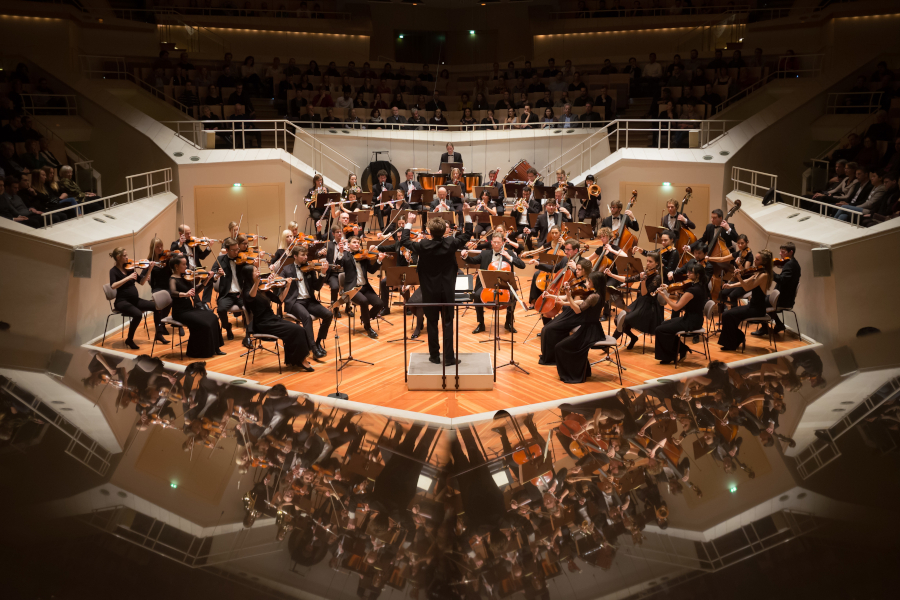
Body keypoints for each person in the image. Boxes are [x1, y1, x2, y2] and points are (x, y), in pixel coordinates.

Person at [400, 211, 474, 365]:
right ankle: (449, 358)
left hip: (429, 292)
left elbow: (405, 240)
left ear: (429, 232)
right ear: (444, 230)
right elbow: (468, 234)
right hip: (447, 291)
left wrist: (409, 221)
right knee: (448, 323)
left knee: (432, 323)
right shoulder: (451, 243)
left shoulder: (423, 245)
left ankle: (434, 356)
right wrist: (466, 215)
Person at [239, 263, 314, 371]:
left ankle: (295, 359)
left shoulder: (262, 287)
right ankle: (301, 360)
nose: (259, 273)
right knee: (297, 330)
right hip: (262, 323)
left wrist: (287, 286)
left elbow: (279, 300)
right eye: (255, 271)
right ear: (249, 275)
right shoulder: (247, 292)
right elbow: (251, 296)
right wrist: (256, 283)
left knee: (299, 329)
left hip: (272, 319)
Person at [463, 232, 526, 334]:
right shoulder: (484, 254)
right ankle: (481, 324)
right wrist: (465, 256)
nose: (496, 244)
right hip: (487, 285)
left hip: (504, 285)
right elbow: (472, 261)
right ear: (491, 243)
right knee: (477, 295)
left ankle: (508, 323)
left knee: (513, 296)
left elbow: (522, 265)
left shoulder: (509, 253)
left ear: (502, 243)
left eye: (498, 242)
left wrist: (510, 258)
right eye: (494, 242)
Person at [555, 271, 609, 384]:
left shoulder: (594, 296)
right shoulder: (597, 294)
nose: (587, 282)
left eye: (589, 280)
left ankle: (573, 373)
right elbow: (581, 303)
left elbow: (578, 310)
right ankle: (583, 371)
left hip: (589, 331)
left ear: (596, 283)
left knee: (560, 347)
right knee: (562, 346)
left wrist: (569, 297)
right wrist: (565, 302)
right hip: (592, 328)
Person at [537, 257, 593, 365]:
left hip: (576, 314)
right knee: (546, 329)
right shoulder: (576, 282)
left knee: (549, 329)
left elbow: (580, 303)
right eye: (576, 269)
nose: (576, 271)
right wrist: (551, 296)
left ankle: (553, 357)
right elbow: (567, 297)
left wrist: (565, 303)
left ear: (585, 271)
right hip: (569, 312)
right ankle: (550, 356)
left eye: (579, 269)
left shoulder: (588, 284)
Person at [279, 245, 331, 358]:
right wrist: (283, 281)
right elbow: (279, 283)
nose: (305, 257)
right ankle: (313, 348)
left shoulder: (310, 268)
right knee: (306, 317)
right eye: (303, 255)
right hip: (295, 302)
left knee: (328, 314)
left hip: (309, 301)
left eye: (306, 255)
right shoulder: (287, 269)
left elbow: (317, 287)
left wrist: (323, 273)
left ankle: (318, 342)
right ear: (295, 256)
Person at [168, 255, 226, 357]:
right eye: (184, 264)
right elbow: (172, 292)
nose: (186, 266)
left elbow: (196, 291)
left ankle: (216, 348)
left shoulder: (185, 277)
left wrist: (206, 280)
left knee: (213, 317)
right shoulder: (172, 279)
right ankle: (200, 352)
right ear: (176, 266)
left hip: (190, 309)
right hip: (180, 312)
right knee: (205, 324)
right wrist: (185, 294)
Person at [605, 253, 664, 350]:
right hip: (640, 302)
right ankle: (633, 337)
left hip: (649, 306)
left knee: (624, 320)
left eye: (650, 262)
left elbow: (645, 293)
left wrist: (643, 281)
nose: (648, 264)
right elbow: (627, 279)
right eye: (647, 261)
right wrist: (611, 275)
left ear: (657, 263)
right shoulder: (646, 272)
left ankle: (608, 345)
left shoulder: (657, 277)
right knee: (617, 319)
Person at [718, 250, 773, 351]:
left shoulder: (764, 275)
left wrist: (739, 277)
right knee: (728, 315)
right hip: (752, 306)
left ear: (763, 262)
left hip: (757, 308)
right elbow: (747, 281)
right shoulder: (758, 272)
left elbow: (747, 287)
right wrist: (730, 285)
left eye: (757, 259)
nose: (754, 261)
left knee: (727, 315)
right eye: (755, 258)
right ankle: (736, 339)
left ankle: (736, 339)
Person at [654, 263, 708, 364]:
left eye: (690, 272)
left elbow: (676, 307)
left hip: (691, 321)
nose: (687, 274)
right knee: (664, 325)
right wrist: (668, 287)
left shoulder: (692, 290)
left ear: (698, 275)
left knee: (659, 330)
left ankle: (670, 355)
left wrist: (664, 295)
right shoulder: (699, 286)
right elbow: (684, 292)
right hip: (695, 319)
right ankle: (681, 349)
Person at [108, 247, 157, 350]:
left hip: (135, 300)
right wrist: (128, 278)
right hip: (122, 302)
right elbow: (113, 286)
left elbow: (142, 282)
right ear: (118, 257)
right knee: (138, 314)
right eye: (125, 255)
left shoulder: (130, 268)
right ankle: (129, 340)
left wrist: (149, 270)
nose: (127, 257)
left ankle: (159, 333)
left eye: (127, 255)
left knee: (156, 306)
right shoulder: (113, 271)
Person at [338, 236, 386, 339]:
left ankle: (365, 317)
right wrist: (341, 253)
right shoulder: (345, 256)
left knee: (380, 303)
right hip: (352, 288)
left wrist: (379, 261)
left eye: (358, 243)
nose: (356, 244)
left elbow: (372, 271)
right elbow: (339, 264)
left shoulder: (364, 256)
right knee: (364, 301)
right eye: (354, 242)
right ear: (349, 244)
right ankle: (368, 327)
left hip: (365, 287)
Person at [753, 241, 801, 337]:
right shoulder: (793, 263)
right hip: (785, 296)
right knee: (762, 299)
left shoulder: (790, 264)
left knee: (759, 300)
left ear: (791, 252)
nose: (780, 254)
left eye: (783, 252)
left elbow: (782, 280)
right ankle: (778, 325)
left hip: (784, 299)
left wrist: (770, 271)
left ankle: (764, 327)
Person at [213, 237, 250, 348]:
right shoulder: (220, 259)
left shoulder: (241, 259)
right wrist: (217, 275)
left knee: (249, 308)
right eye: (234, 250)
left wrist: (254, 264)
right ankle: (227, 327)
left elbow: (250, 271)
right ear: (227, 250)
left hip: (241, 293)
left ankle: (248, 334)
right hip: (227, 294)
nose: (236, 252)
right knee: (221, 310)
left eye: (237, 249)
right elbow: (212, 276)